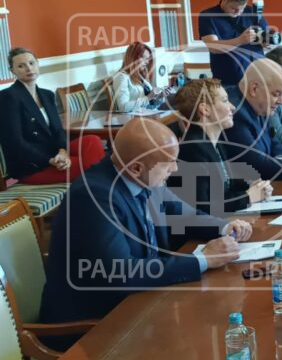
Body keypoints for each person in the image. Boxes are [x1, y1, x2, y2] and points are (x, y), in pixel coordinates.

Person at [41, 118, 251, 322]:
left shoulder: (144, 178)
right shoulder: (92, 197)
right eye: (169, 163)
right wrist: (203, 259)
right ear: (136, 168)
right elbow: (121, 273)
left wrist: (225, 227)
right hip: (99, 321)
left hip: (144, 300)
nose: (175, 169)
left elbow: (185, 215)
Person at [168, 78, 273, 215]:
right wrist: (248, 197)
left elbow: (224, 185)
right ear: (205, 109)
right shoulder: (193, 148)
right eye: (225, 101)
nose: (232, 107)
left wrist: (252, 186)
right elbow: (202, 206)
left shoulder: (214, 142)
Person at [0, 47, 105, 183]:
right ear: (12, 71)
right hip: (33, 165)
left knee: (92, 140)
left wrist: (62, 151)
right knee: (92, 166)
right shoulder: (8, 97)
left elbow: (58, 130)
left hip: (54, 153)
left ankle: (98, 187)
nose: (29, 68)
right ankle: (101, 189)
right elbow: (16, 143)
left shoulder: (47, 95)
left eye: (31, 63)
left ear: (38, 64)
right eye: (21, 66)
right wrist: (50, 160)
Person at [199, 0, 277, 86]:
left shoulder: (252, 12)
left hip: (258, 78)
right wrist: (240, 40)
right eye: (234, 8)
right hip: (228, 81)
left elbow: (265, 39)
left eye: (242, 9)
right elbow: (213, 47)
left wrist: (268, 43)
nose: (238, 12)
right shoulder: (208, 16)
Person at [111, 42, 172, 113]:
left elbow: (150, 104)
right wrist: (148, 97)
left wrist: (160, 96)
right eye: (144, 58)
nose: (147, 62)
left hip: (149, 113)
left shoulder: (139, 76)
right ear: (133, 58)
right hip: (135, 118)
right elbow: (123, 107)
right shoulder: (121, 77)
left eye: (148, 59)